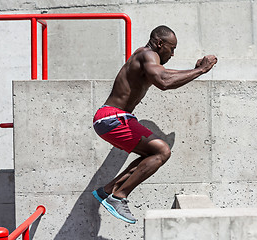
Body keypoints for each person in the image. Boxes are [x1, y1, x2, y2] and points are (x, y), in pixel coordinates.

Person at [92, 25, 217, 224]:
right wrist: (202, 70)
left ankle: (106, 191)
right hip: (113, 118)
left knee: (150, 156)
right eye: (171, 48)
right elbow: (164, 81)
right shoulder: (148, 54)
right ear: (159, 43)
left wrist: (194, 71)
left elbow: (164, 73)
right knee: (162, 151)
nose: (173, 53)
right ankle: (118, 196)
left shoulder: (145, 57)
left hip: (111, 118)